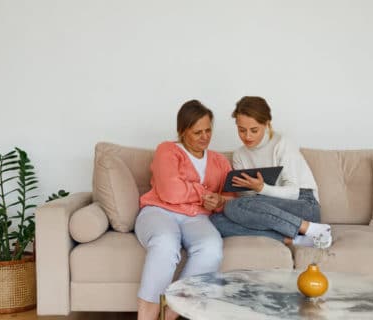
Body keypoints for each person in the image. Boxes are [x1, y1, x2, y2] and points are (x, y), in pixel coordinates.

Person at [135, 100, 233, 320]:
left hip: (196, 218)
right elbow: (171, 192)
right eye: (197, 132)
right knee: (165, 242)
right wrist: (204, 193)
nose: (204, 137)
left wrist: (218, 201)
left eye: (208, 130)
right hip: (158, 211)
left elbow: (231, 199)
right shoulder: (167, 150)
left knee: (211, 247)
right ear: (182, 131)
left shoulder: (219, 161)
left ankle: (169, 315)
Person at [210, 96, 333, 249]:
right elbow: (250, 203)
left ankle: (312, 228)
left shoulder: (282, 144)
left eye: (254, 130)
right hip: (269, 212)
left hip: (304, 204)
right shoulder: (239, 155)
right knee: (215, 221)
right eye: (242, 130)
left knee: (234, 206)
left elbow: (294, 192)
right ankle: (295, 239)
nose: (247, 136)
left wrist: (262, 189)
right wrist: (223, 200)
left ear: (266, 124)